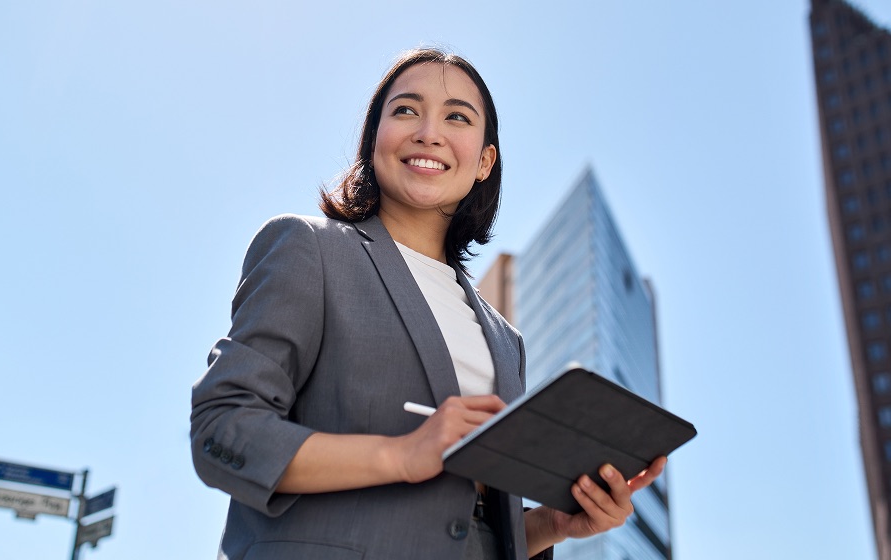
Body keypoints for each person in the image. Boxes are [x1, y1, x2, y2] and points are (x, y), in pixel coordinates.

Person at [190, 47, 665, 560]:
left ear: (485, 161)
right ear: (375, 141)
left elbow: (463, 530)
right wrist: (400, 454)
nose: (428, 132)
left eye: (457, 117)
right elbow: (223, 430)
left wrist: (551, 525)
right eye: (405, 110)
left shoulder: (507, 341)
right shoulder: (309, 248)